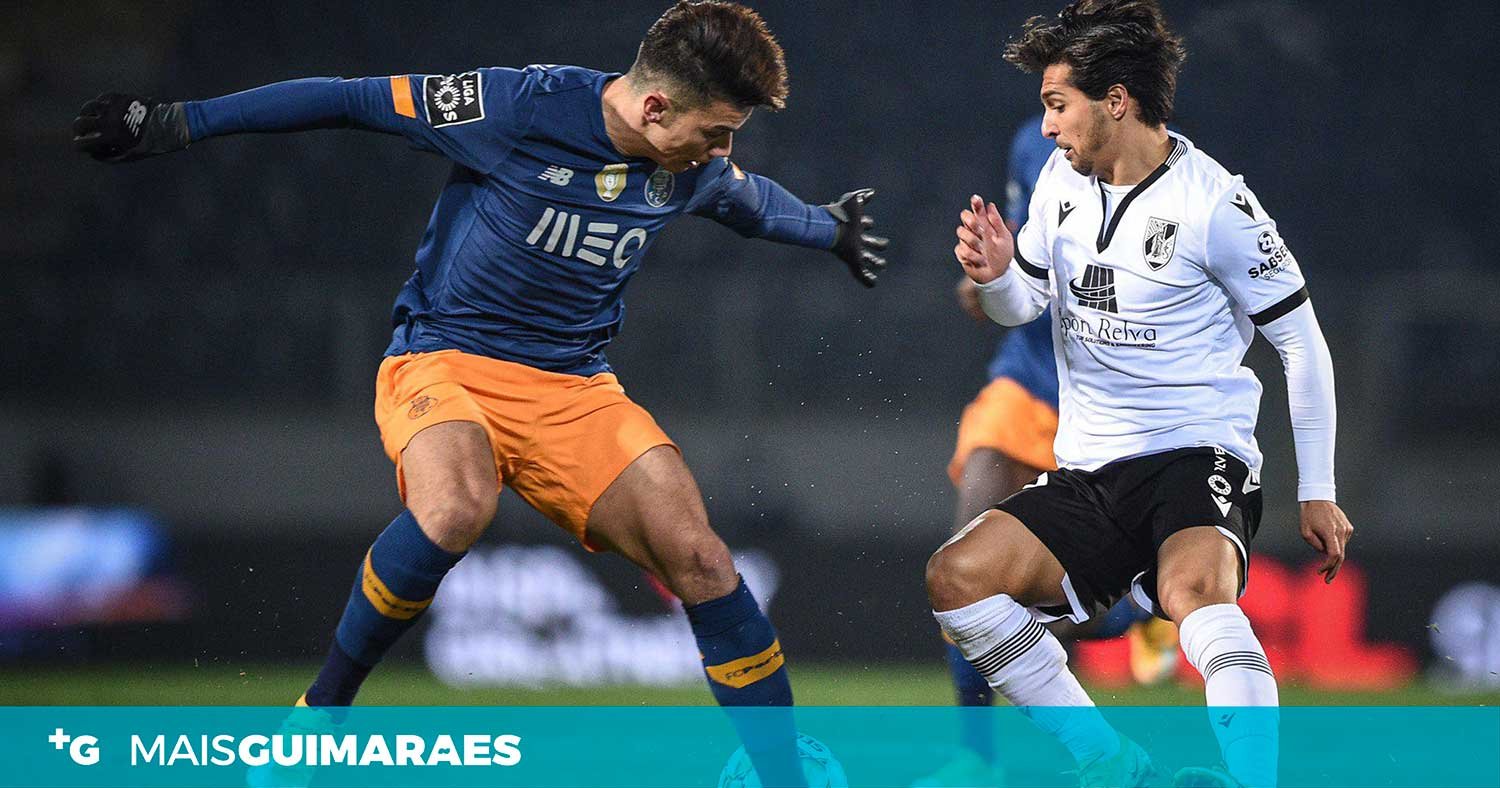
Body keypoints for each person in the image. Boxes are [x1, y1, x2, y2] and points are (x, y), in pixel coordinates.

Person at [73, 2, 888, 786]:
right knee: (458, 506)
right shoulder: (518, 106)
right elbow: (349, 100)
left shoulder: (691, 168)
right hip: (445, 361)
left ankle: (783, 778)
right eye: (715, 132)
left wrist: (831, 228)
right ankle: (320, 717)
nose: (722, 151)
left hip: (575, 388)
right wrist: (179, 122)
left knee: (704, 560)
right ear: (654, 107)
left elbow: (750, 203)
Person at [928, 2, 1352, 786]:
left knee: (1196, 592)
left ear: (1115, 101)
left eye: (1058, 105)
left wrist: (1318, 490)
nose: (1046, 127)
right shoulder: (1059, 179)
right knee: (956, 578)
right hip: (1090, 468)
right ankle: (1110, 762)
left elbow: (1302, 343)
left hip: (1196, 453)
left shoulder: (1216, 205)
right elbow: (1024, 303)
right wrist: (995, 279)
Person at [915, 117, 1174, 788]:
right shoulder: (1033, 144)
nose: (1052, 111)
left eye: (1062, 91)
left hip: (1109, 406)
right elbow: (1018, 246)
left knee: (1067, 610)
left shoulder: (1163, 164)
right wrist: (988, 283)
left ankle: (1139, 612)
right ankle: (978, 758)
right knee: (964, 566)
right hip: (1027, 383)